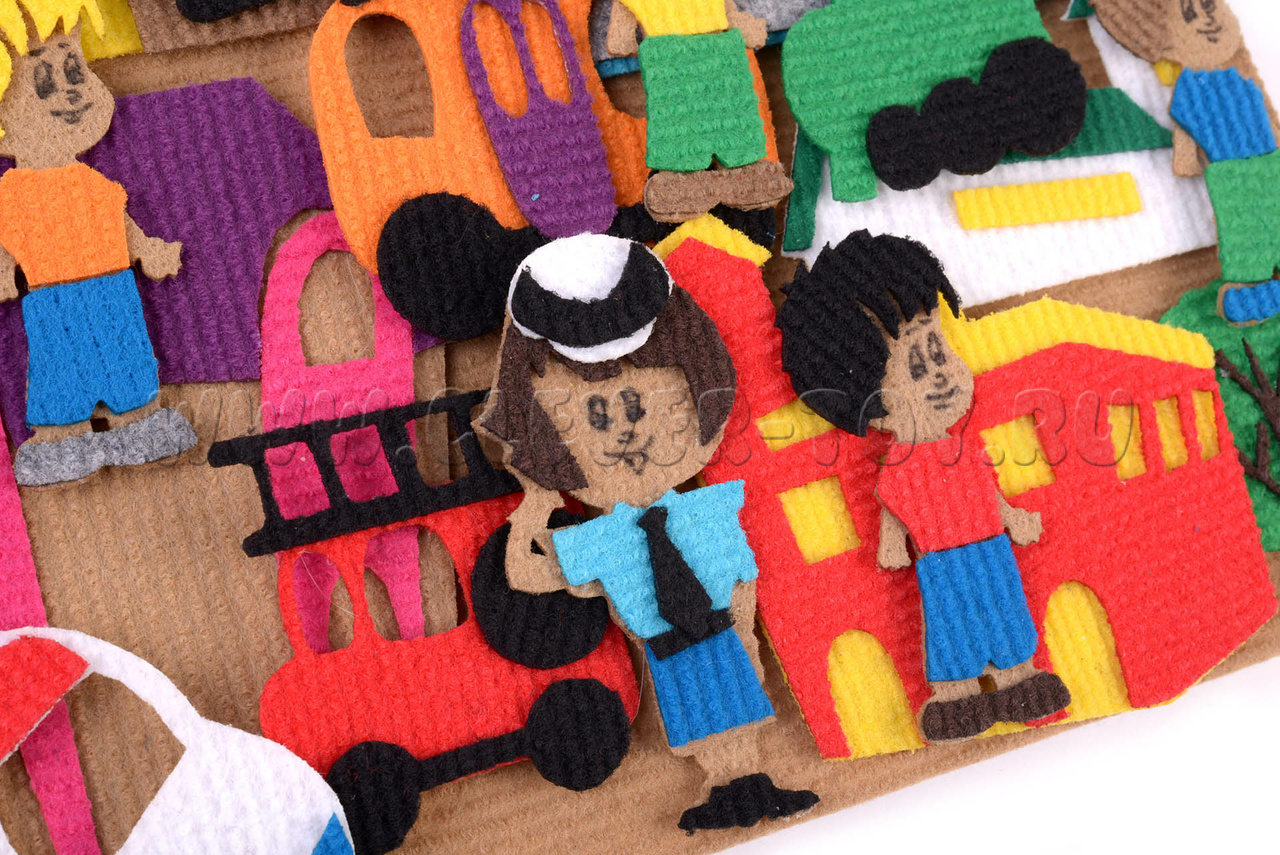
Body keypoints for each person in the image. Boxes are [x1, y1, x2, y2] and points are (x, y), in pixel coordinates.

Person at [480, 233, 817, 832]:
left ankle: (753, 780)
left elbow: (743, 580)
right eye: (595, 415)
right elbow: (527, 575)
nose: (624, 430)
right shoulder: (605, 539)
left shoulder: (707, 508)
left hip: (722, 633)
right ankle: (725, 787)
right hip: (667, 650)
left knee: (741, 706)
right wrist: (534, 505)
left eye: (639, 406)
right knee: (700, 720)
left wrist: (740, 629)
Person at [775, 230, 1071, 742]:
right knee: (951, 624)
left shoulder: (962, 448)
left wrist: (1012, 518)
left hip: (990, 550)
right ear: (872, 402)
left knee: (1004, 608)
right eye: (915, 364)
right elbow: (895, 507)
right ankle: (956, 696)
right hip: (939, 563)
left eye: (936, 349)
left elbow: (986, 492)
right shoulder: (901, 465)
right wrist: (892, 543)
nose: (938, 375)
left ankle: (1019, 678)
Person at [0, 10, 195, 486]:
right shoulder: (12, 192)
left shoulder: (91, 180)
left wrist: (147, 249)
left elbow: (116, 220)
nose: (70, 92)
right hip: (52, 300)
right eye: (44, 81)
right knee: (60, 370)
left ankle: (139, 423)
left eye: (74, 71)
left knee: (126, 359)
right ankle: (63, 439)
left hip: (115, 292)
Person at [1093, 0, 1280, 311]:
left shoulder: (1190, 92)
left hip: (1233, 175)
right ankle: (1251, 291)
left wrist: (1192, 155)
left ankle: (1251, 291)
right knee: (1260, 229)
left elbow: (1186, 163)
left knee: (1246, 242)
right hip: (1264, 164)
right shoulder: (1235, 81)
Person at [605, 0, 792, 222]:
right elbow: (620, 38)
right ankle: (685, 182)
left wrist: (740, 23)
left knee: (728, 119)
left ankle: (742, 174)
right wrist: (623, 36)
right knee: (684, 127)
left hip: (706, 52)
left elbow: (725, 8)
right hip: (676, 56)